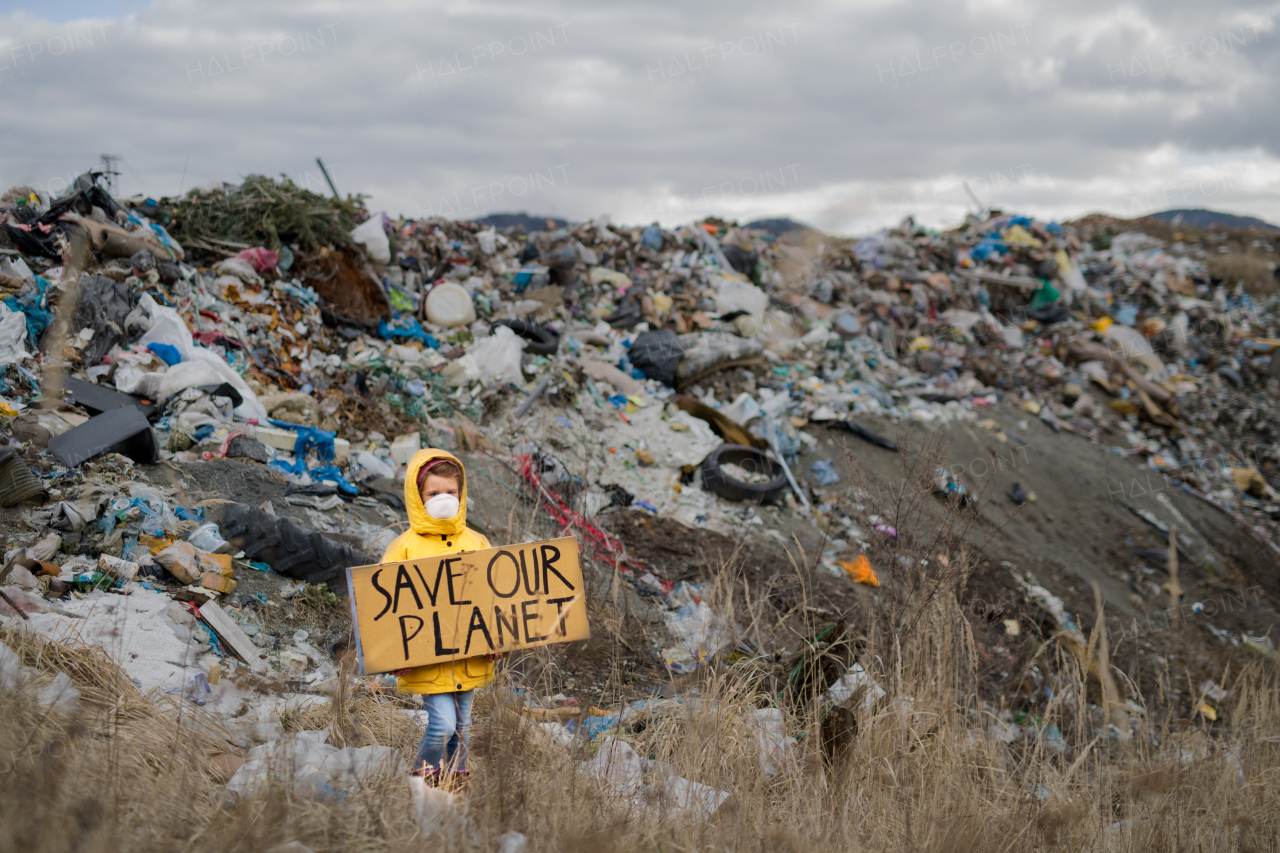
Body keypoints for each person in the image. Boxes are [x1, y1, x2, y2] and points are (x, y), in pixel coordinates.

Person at [381, 448, 504, 785]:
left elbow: (494, 598)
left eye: (451, 492)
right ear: (418, 498)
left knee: (462, 726)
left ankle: (454, 781)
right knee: (443, 724)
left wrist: (499, 639)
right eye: (434, 493)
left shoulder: (478, 542)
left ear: (461, 495)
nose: (443, 499)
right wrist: (394, 653)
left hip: (469, 658)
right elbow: (384, 607)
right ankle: (420, 779)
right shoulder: (404, 547)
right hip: (427, 662)